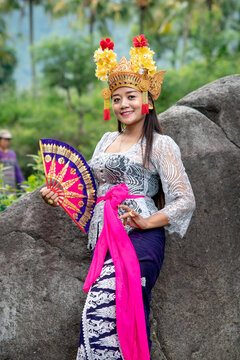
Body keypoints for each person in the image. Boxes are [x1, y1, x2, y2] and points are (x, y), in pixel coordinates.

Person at [40, 35, 196, 360]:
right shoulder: (107, 139)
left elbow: (184, 200)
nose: (123, 104)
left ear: (147, 100)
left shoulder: (161, 145)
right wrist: (60, 194)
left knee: (106, 313)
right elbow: (94, 189)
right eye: (116, 98)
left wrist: (146, 220)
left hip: (140, 240)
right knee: (96, 319)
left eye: (131, 96)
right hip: (106, 239)